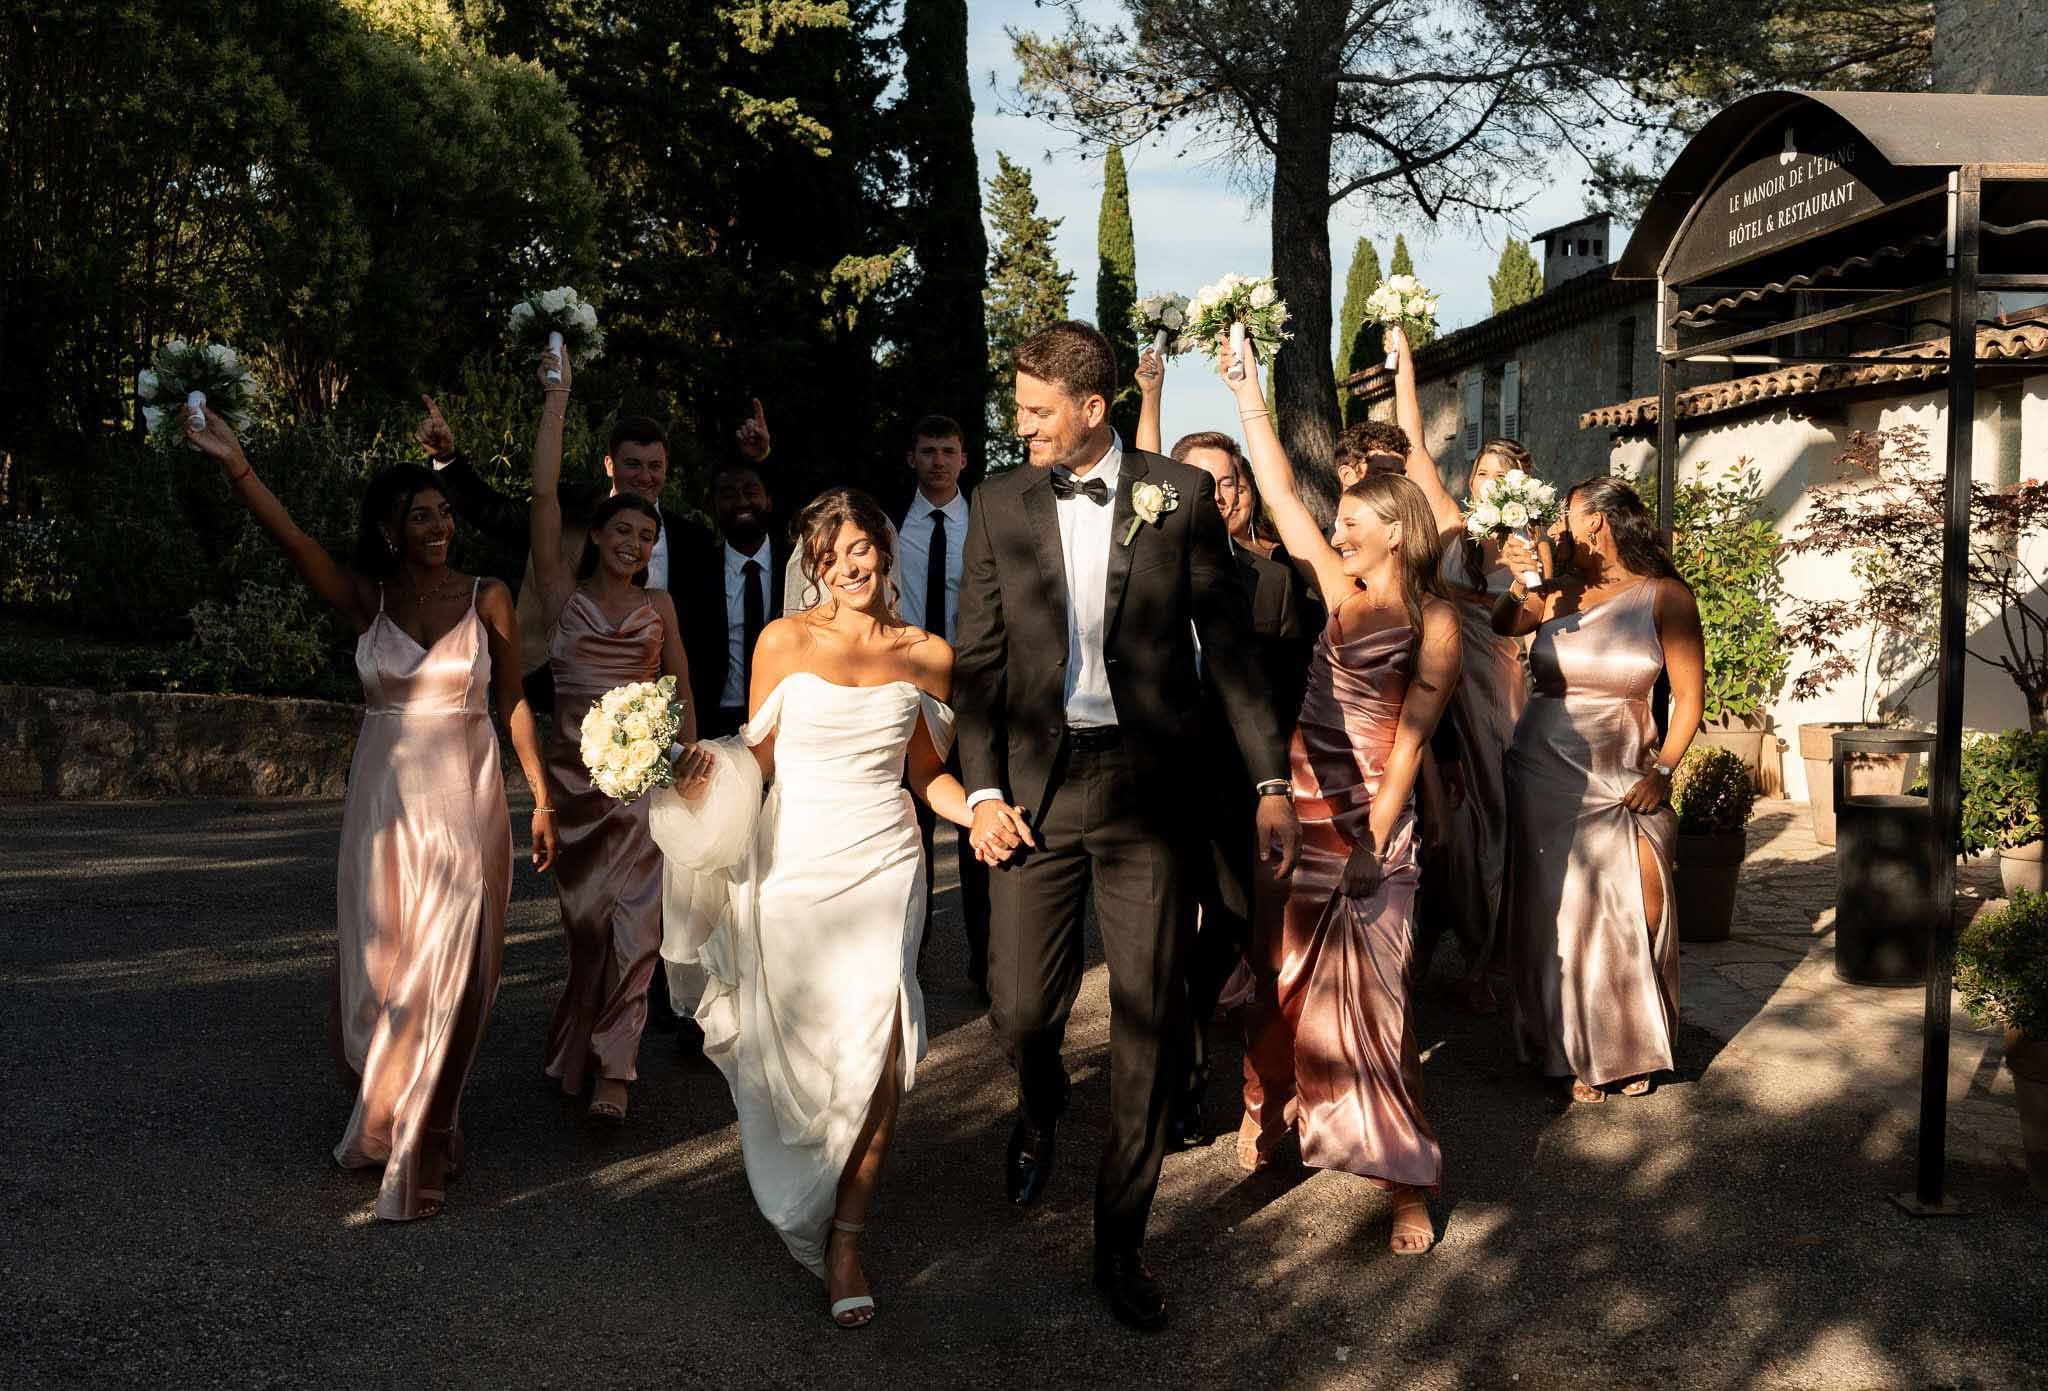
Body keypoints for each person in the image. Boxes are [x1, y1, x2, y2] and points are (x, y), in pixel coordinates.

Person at [954, 320, 1298, 1332]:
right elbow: (974, 660)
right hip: (1031, 792)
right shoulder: (998, 501)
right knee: (1018, 1007)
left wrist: (1270, 779)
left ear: (1092, 409)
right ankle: (1038, 1097)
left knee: (1149, 1016)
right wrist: (978, 792)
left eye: (1034, 411)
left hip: (1150, 792)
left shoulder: (1177, 495)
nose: (1018, 427)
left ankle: (1120, 1240)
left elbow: (1228, 651)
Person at [650, 489, 1031, 1327]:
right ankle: (810, 1185)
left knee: (882, 1044)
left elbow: (927, 773)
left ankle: (849, 1239)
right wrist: (686, 774)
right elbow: (760, 757)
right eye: (836, 553)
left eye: (865, 549)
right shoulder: (783, 642)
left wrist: (979, 808)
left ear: (885, 554)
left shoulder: (929, 653)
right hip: (794, 864)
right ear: (814, 563)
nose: (853, 565)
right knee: (806, 1052)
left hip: (885, 863)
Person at [180, 407, 552, 1221]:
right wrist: (237, 463)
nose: (439, 525)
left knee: (453, 963)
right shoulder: (366, 599)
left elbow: (515, 702)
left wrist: (543, 799)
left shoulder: (490, 598)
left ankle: (416, 1144)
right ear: (388, 529)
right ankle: (419, 1114)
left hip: (467, 799)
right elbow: (293, 542)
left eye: (443, 512)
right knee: (384, 974)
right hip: (382, 808)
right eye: (420, 514)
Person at [1221, 334, 1461, 1258]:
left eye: (1356, 517)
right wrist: (1247, 390)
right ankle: (1269, 1105)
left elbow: (1410, 743)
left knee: (1380, 1015)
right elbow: (1280, 492)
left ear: (1396, 528)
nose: (1341, 527)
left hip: (1370, 831)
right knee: (1277, 989)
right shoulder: (1336, 584)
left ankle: (1405, 1180)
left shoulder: (1431, 619)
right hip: (1297, 826)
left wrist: (1375, 839)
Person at [1494, 476, 1705, 1105]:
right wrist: (1518, 579)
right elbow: (1505, 625)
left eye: (1568, 515)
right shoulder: (1557, 592)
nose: (1559, 527)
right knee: (1554, 907)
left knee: (1635, 897)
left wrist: (1662, 771)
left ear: (1599, 522)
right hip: (1544, 763)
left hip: (1626, 764)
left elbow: (1690, 697)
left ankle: (1620, 1041)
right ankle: (1561, 1046)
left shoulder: (1665, 597)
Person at [529, 349, 694, 1123]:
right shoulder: (563, 594)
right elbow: (540, 495)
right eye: (623, 529)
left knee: (636, 931)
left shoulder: (659, 608)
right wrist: (556, 394)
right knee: (588, 930)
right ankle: (575, 1046)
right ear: (596, 534)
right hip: (571, 791)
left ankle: (616, 1074)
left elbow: (684, 691)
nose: (636, 542)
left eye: (647, 536)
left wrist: (686, 756)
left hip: (638, 794)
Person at [419, 395, 758, 711]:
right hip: (563, 697)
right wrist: (447, 460)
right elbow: (495, 515)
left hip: (661, 709)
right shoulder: (573, 512)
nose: (645, 477)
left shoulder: (694, 540)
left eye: (655, 466)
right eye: (633, 464)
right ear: (610, 464)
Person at [1159, 428, 1307, 1150]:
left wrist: (1270, 790)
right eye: (1197, 484)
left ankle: (1190, 1010)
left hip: (1229, 791)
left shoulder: (1272, 584)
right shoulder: (1132, 572)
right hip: (1147, 787)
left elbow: (1277, 702)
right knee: (1153, 934)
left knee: (1226, 924)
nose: (1212, 498)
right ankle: (1181, 1090)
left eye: (1224, 484)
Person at [1386, 323, 1535, 1013]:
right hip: (1448, 690)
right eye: (1481, 475)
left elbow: (1542, 622)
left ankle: (1501, 958)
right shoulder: (1449, 524)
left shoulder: (1534, 551)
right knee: (1456, 822)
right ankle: (1468, 952)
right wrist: (1406, 364)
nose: (1487, 486)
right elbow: (1415, 444)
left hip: (1504, 689)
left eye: (1502, 479)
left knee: (1503, 815)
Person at [679, 456, 788, 739]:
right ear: (712, 506)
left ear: (769, 500)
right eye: (728, 494)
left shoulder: (797, 566)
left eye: (751, 492)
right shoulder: (693, 574)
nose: (741, 502)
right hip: (715, 723)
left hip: (787, 718)